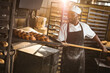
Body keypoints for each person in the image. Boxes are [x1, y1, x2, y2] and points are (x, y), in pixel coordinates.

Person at [58, 5, 108, 73]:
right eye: (68, 14)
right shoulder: (64, 26)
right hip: (67, 57)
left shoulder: (84, 26)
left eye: (72, 14)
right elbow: (60, 40)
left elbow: (94, 36)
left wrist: (101, 46)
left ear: (78, 15)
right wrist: (63, 43)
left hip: (79, 57)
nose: (69, 16)